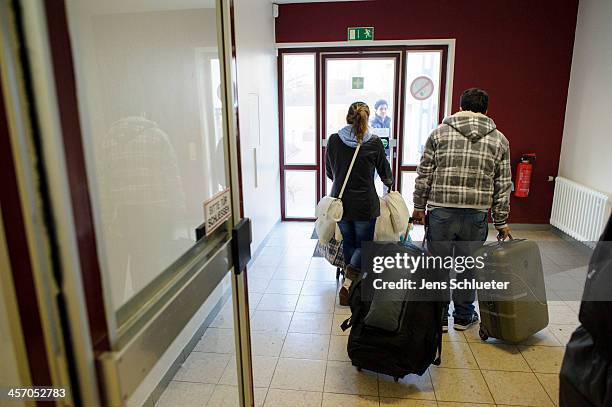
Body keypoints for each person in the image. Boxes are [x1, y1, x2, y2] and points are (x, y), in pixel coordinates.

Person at [411, 88, 512, 331]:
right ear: (486, 110)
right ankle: (464, 316)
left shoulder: (438, 134)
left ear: (459, 107)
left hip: (440, 212)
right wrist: (501, 221)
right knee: (468, 267)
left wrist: (418, 206)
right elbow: (503, 183)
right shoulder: (500, 140)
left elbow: (424, 174)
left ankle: (439, 318)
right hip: (476, 213)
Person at [326, 101, 393, 305]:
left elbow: (330, 172)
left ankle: (349, 283)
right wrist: (389, 184)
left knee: (349, 242)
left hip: (341, 202)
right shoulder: (374, 142)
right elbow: (385, 172)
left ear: (348, 117)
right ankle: (351, 284)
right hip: (365, 203)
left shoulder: (334, 140)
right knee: (365, 245)